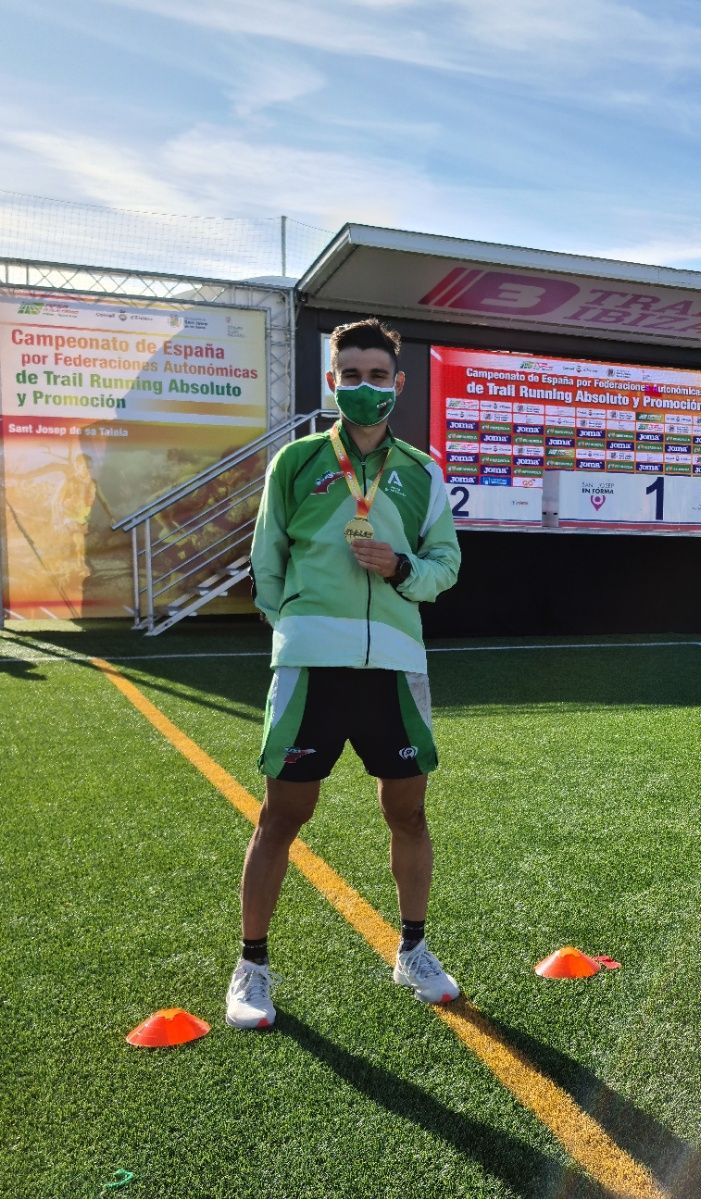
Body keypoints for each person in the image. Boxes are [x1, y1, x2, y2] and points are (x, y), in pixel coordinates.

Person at [226, 318, 463, 1029]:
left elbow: (446, 566)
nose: (364, 387)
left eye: (376, 375)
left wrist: (401, 569)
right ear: (332, 382)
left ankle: (413, 951)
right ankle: (252, 966)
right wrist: (297, 626)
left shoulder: (423, 474)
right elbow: (265, 565)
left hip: (393, 670)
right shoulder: (295, 464)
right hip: (310, 668)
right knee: (282, 816)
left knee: (409, 812)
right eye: (349, 375)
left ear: (399, 382)